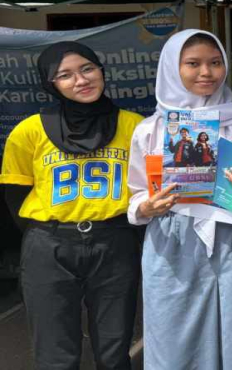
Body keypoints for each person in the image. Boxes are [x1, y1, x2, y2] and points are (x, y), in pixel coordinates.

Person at [127, 30, 232, 370]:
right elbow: (136, 192)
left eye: (215, 63)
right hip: (172, 241)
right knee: (171, 335)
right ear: (172, 69)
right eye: (193, 64)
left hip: (231, 238)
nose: (206, 72)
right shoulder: (151, 129)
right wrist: (146, 207)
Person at [0, 41, 143, 370]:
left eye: (87, 69)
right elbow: (15, 194)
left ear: (101, 71)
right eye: (65, 75)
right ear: (50, 83)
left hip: (114, 242)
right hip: (49, 245)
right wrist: (51, 233)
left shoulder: (135, 126)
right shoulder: (29, 131)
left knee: (114, 348)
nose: (81, 80)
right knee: (55, 352)